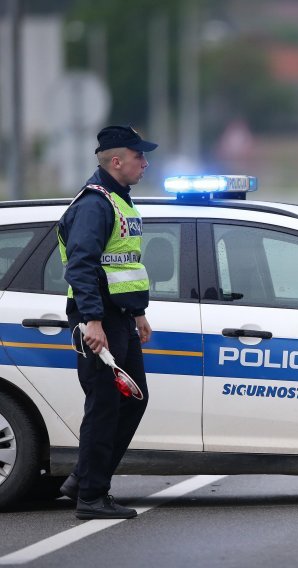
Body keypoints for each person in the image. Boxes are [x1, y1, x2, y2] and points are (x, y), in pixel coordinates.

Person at [56, 125, 156, 520]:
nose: (145, 163)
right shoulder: (95, 205)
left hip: (119, 318)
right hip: (97, 321)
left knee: (133, 398)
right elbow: (81, 266)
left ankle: (84, 479)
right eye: (139, 157)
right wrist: (92, 321)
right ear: (117, 161)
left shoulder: (119, 200)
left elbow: (122, 263)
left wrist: (137, 312)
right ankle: (92, 497)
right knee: (105, 407)